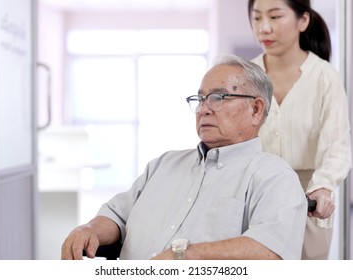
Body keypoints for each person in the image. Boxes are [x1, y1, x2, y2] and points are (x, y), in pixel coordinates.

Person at [61, 54, 307, 260]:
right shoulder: (164, 164)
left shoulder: (273, 175)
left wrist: (184, 255)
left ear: (256, 109)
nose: (204, 109)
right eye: (200, 99)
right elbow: (117, 215)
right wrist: (88, 229)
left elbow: (273, 252)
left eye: (219, 97)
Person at [247, 0, 352, 259]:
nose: (264, 28)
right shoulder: (245, 77)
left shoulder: (325, 77)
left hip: (309, 200)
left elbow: (337, 147)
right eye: (257, 18)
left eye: (275, 16)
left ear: (302, 21)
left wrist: (323, 186)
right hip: (255, 199)